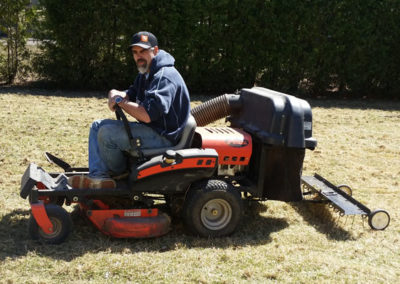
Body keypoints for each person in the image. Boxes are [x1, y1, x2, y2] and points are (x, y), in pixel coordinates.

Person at [68, 31, 191, 189]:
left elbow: (147, 115)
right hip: (151, 129)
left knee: (107, 135)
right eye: (135, 52)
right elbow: (132, 93)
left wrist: (120, 101)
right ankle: (99, 176)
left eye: (143, 51)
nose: (139, 56)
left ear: (155, 50)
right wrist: (117, 93)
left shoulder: (163, 77)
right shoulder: (146, 73)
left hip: (164, 136)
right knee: (97, 126)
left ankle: (120, 175)